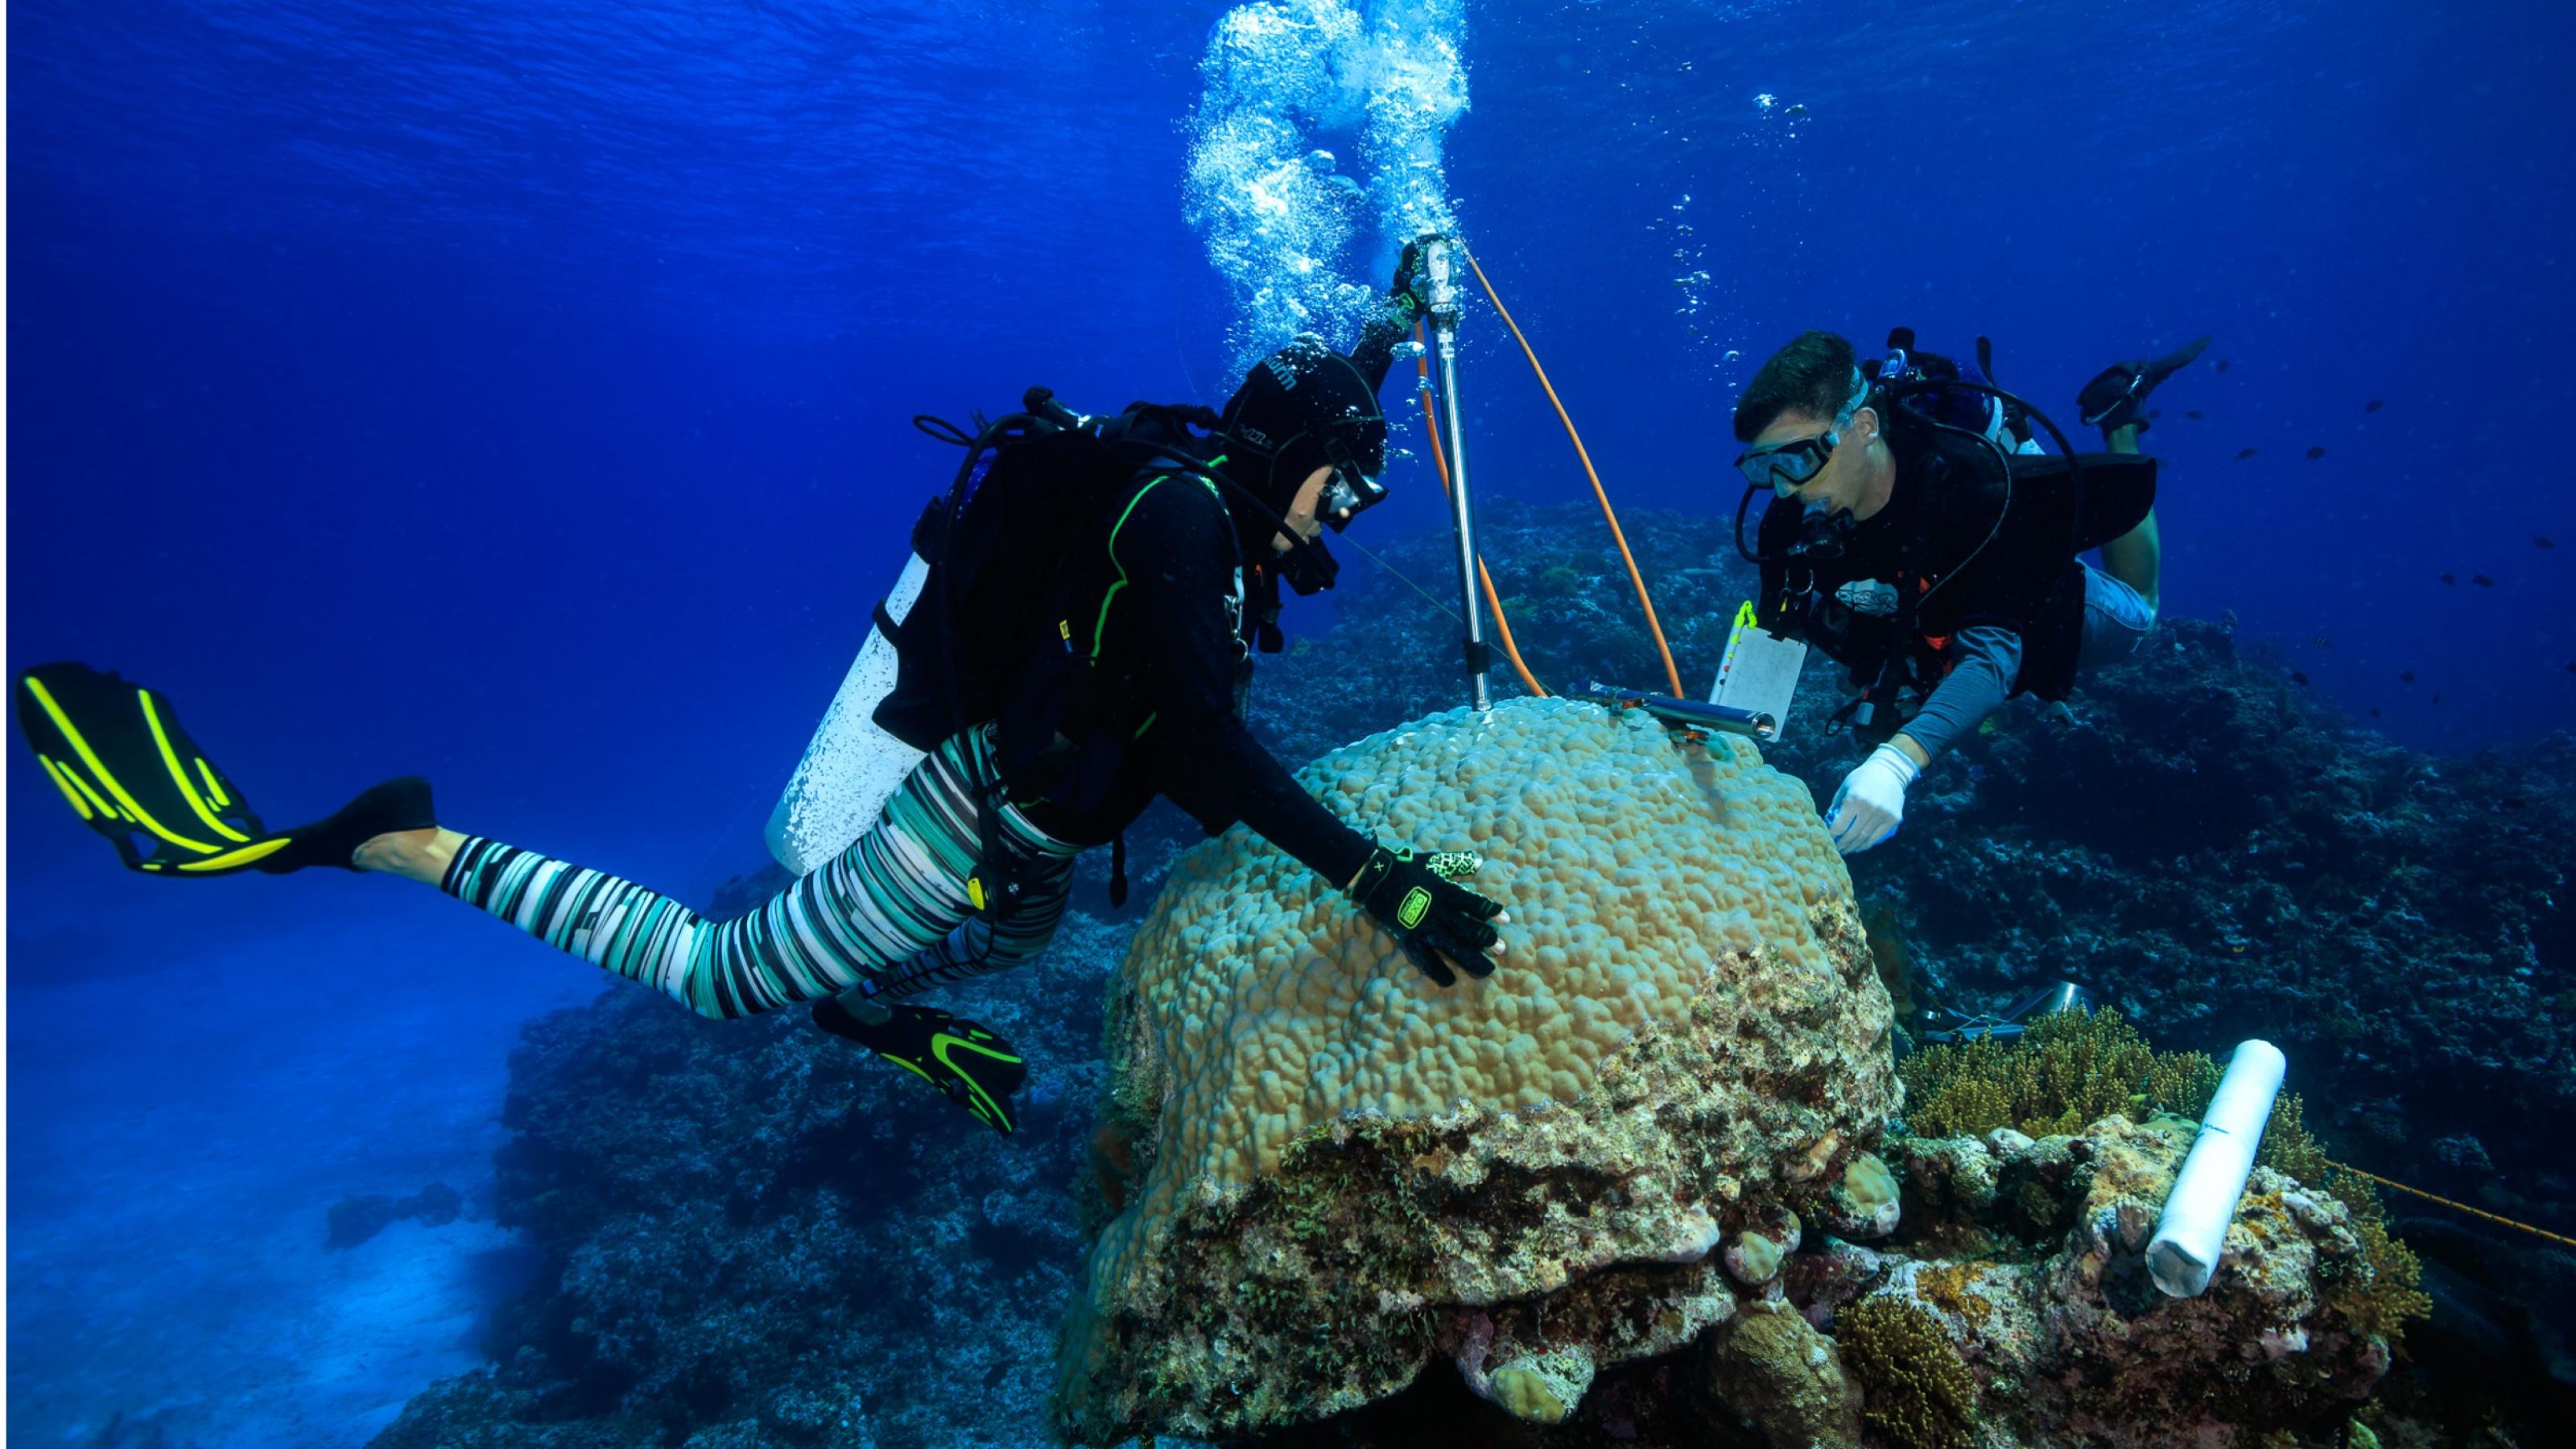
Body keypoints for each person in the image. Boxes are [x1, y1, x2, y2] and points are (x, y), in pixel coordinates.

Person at [14, 250, 1509, 1136]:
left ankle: (871, 1014)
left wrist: (1383, 329)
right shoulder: (1185, 523)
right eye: (1348, 493)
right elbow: (1200, 739)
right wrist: (1385, 882)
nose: (1346, 524)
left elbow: (1202, 666)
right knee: (728, 979)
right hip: (969, 820)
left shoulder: (1226, 510)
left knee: (980, 970)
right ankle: (396, 838)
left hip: (1030, 847)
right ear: (1290, 458)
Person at [1728, 328, 2203, 855]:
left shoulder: (1968, 487)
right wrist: (1727, 743)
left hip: (2037, 606)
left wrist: (1896, 763)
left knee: (2141, 615)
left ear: (1863, 427)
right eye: (1763, 466)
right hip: (1925, 637)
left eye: (1798, 458)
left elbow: (1991, 660)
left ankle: (2118, 420)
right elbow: (1776, 630)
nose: (1783, 486)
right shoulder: (1786, 523)